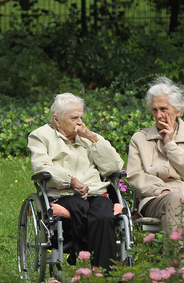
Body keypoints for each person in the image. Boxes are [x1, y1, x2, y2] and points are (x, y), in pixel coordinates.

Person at [28, 93, 124, 270]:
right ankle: (80, 250)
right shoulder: (41, 136)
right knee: (79, 206)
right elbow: (42, 167)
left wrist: (94, 138)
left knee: (103, 214)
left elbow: (114, 166)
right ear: (57, 120)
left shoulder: (88, 139)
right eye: (74, 118)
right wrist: (71, 181)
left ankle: (103, 274)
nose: (79, 123)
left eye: (81, 117)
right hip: (63, 193)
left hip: (95, 193)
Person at [127, 77, 184, 246]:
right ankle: (181, 267)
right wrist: (162, 189)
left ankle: (176, 266)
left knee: (174, 211)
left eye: (164, 109)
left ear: (178, 110)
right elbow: (136, 175)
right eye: (155, 110)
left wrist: (170, 144)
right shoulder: (140, 138)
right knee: (174, 202)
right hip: (156, 200)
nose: (159, 115)